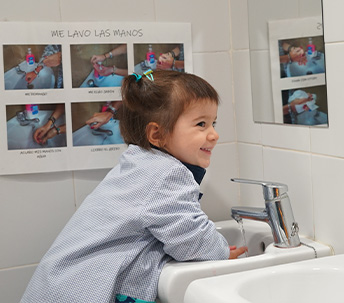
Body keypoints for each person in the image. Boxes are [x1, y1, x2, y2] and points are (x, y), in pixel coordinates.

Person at [21, 70, 247, 303]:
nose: (214, 134)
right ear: (156, 134)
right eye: (201, 124)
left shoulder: (140, 163)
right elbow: (193, 242)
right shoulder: (166, 173)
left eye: (213, 123)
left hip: (62, 285)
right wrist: (220, 251)